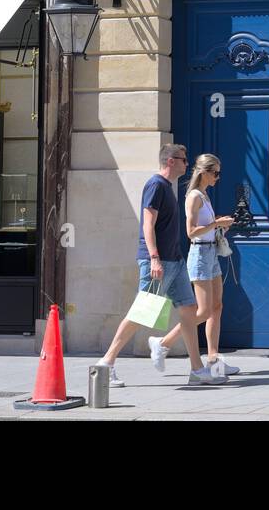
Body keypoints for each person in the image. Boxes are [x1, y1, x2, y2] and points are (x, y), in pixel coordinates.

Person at [96, 143, 225, 387]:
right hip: (159, 261)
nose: (187, 164)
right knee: (142, 312)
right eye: (184, 160)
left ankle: (197, 370)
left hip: (175, 261)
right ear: (170, 161)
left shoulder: (168, 187)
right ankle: (106, 363)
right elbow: (147, 224)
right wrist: (154, 257)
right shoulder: (155, 185)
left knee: (189, 311)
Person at [149, 154, 239, 376]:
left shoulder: (205, 196)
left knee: (217, 307)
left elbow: (205, 226)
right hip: (199, 254)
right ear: (204, 172)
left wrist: (218, 227)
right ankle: (163, 343)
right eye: (215, 172)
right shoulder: (194, 197)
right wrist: (216, 223)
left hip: (210, 252)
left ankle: (213, 359)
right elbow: (190, 232)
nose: (218, 177)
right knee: (204, 310)